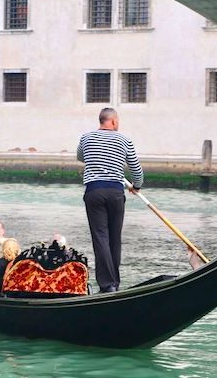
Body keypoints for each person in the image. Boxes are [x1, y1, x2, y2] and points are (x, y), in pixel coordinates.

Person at [77, 107, 144, 293]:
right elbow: (136, 169)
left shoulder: (86, 138)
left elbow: (80, 157)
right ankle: (114, 283)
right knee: (115, 238)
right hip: (115, 192)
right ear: (113, 121)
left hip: (94, 192)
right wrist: (136, 186)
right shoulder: (124, 140)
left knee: (101, 238)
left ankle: (108, 285)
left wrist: (95, 158)